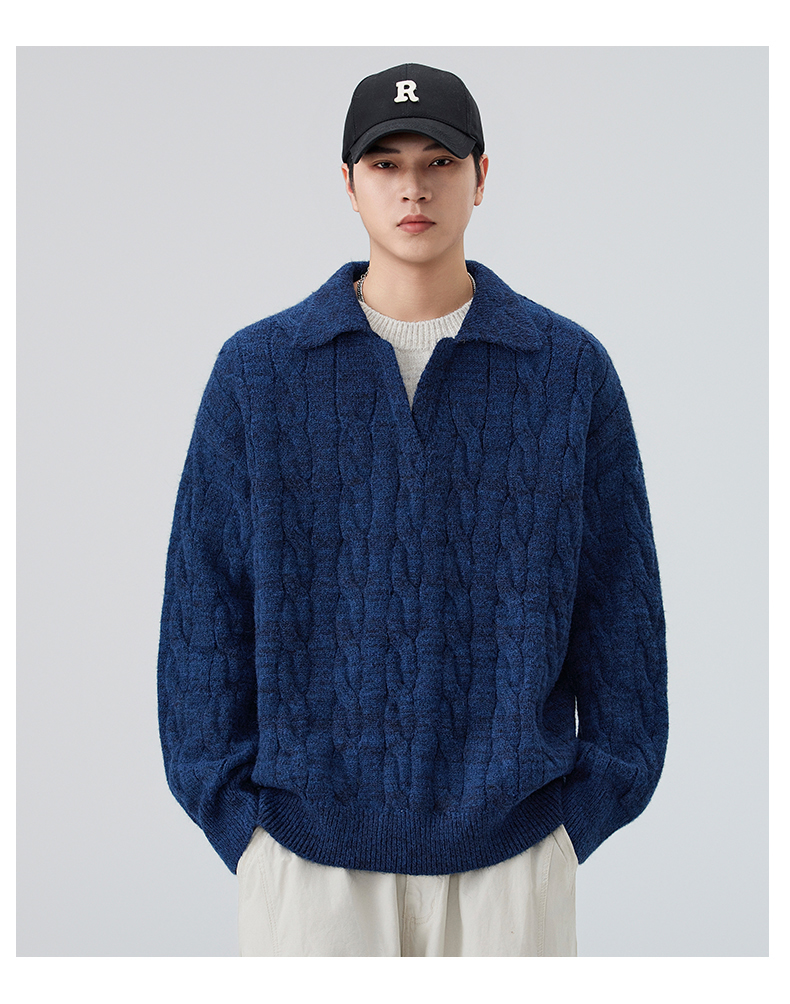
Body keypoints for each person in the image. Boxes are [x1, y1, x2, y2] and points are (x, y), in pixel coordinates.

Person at [157, 62, 669, 957]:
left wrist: (571, 828)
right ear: (347, 182)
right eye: (386, 164)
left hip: (512, 863)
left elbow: (622, 608)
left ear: (482, 174)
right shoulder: (259, 373)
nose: (413, 189)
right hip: (306, 868)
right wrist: (246, 830)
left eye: (438, 161)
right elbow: (203, 609)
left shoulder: (567, 372)